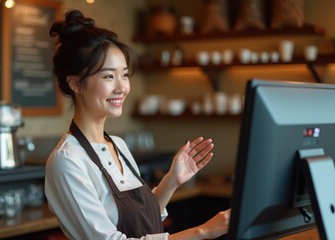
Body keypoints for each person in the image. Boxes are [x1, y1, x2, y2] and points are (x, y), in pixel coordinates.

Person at [44, 9, 231, 240]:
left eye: (124, 75)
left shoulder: (118, 145)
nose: (122, 87)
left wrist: (172, 180)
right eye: (108, 76)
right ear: (75, 83)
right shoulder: (67, 161)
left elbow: (144, 220)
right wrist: (203, 231)